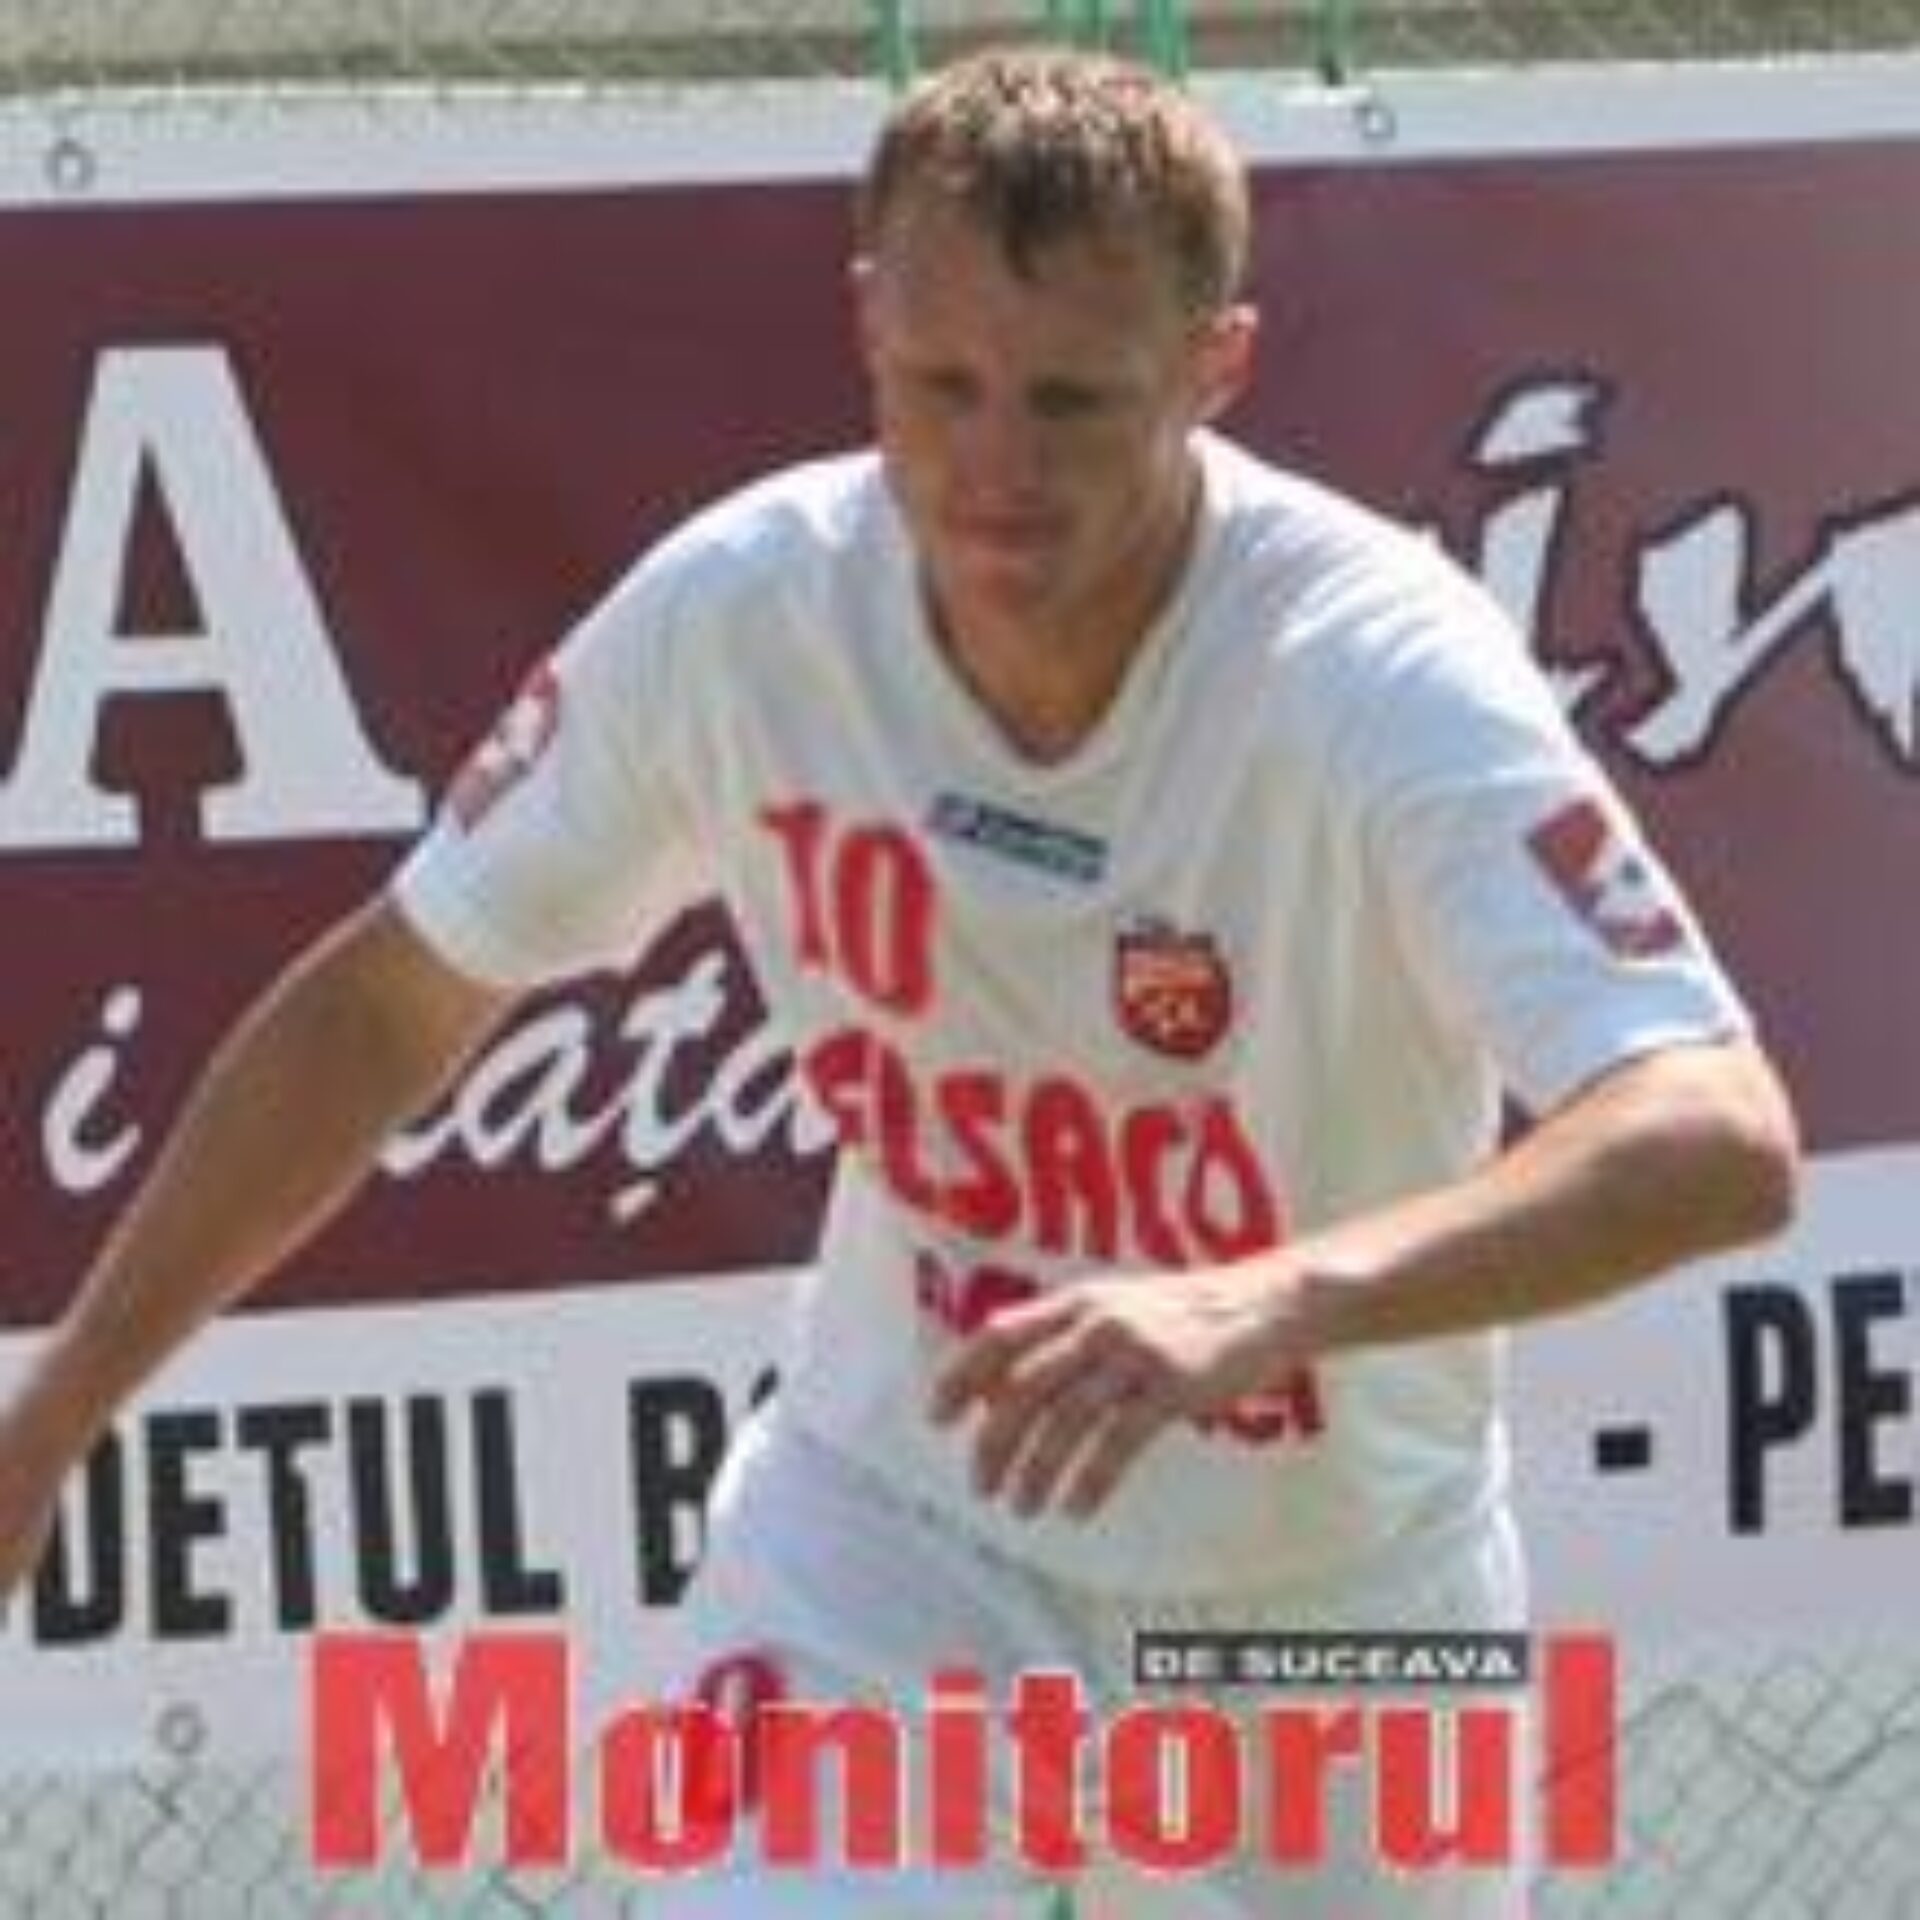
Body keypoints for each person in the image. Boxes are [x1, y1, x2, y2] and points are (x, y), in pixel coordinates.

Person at [1, 43, 1796, 1918]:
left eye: (1073, 399)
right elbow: (389, 1003)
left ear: (1217, 366)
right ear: (866, 325)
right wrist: (52, 1419)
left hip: (1334, 1597)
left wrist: (1266, 1299)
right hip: (901, 1543)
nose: (997, 468)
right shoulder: (745, 615)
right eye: (943, 385)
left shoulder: (1372, 669)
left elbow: (1713, 1129)